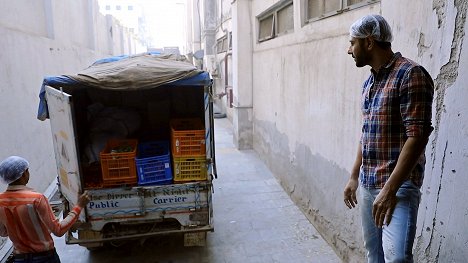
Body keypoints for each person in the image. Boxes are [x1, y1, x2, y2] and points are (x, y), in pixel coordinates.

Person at [343, 14, 434, 262]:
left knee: (397, 259)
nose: (349, 50)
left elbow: (418, 136)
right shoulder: (369, 83)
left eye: (352, 43)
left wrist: (389, 189)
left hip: (398, 186)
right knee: (374, 255)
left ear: (369, 42)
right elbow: (366, 133)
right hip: (369, 183)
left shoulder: (411, 74)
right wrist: (353, 176)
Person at [0, 156, 90, 263]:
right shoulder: (37, 199)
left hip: (19, 259)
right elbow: (58, 230)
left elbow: (4, 232)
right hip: (45, 258)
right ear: (24, 174)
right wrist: (79, 206)